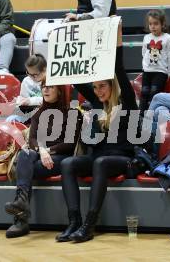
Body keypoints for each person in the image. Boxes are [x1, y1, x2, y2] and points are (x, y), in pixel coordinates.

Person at [57, 23, 138, 243]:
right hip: (98, 156)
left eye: (102, 86)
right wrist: (64, 48)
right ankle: (74, 221)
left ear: (112, 86)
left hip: (122, 157)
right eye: (95, 87)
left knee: (100, 162)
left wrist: (118, 39)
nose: (98, 91)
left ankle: (89, 225)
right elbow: (72, 73)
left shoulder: (127, 102)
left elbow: (119, 70)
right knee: (67, 164)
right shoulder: (95, 104)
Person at [4, 80, 80, 238]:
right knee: (25, 153)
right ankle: (21, 203)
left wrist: (48, 151)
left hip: (61, 158)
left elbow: (69, 144)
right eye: (43, 87)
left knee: (25, 167)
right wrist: (42, 150)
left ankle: (21, 219)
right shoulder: (39, 112)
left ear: (59, 90)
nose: (45, 90)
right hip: (40, 155)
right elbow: (31, 140)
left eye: (50, 86)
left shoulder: (72, 112)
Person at [140, 9, 170, 114]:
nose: (153, 26)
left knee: (154, 92)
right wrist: (145, 66)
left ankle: (151, 114)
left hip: (160, 71)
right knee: (144, 92)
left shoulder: (168, 39)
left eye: (156, 23)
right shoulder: (146, 37)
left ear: (162, 24)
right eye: (150, 24)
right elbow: (144, 53)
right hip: (147, 71)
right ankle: (140, 115)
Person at [6, 54, 45, 123]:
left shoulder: (49, 82)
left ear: (44, 70)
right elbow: (24, 99)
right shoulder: (26, 81)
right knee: (10, 120)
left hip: (45, 113)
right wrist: (20, 101)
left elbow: (48, 100)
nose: (31, 77)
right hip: (28, 113)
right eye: (28, 73)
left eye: (35, 75)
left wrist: (30, 101)